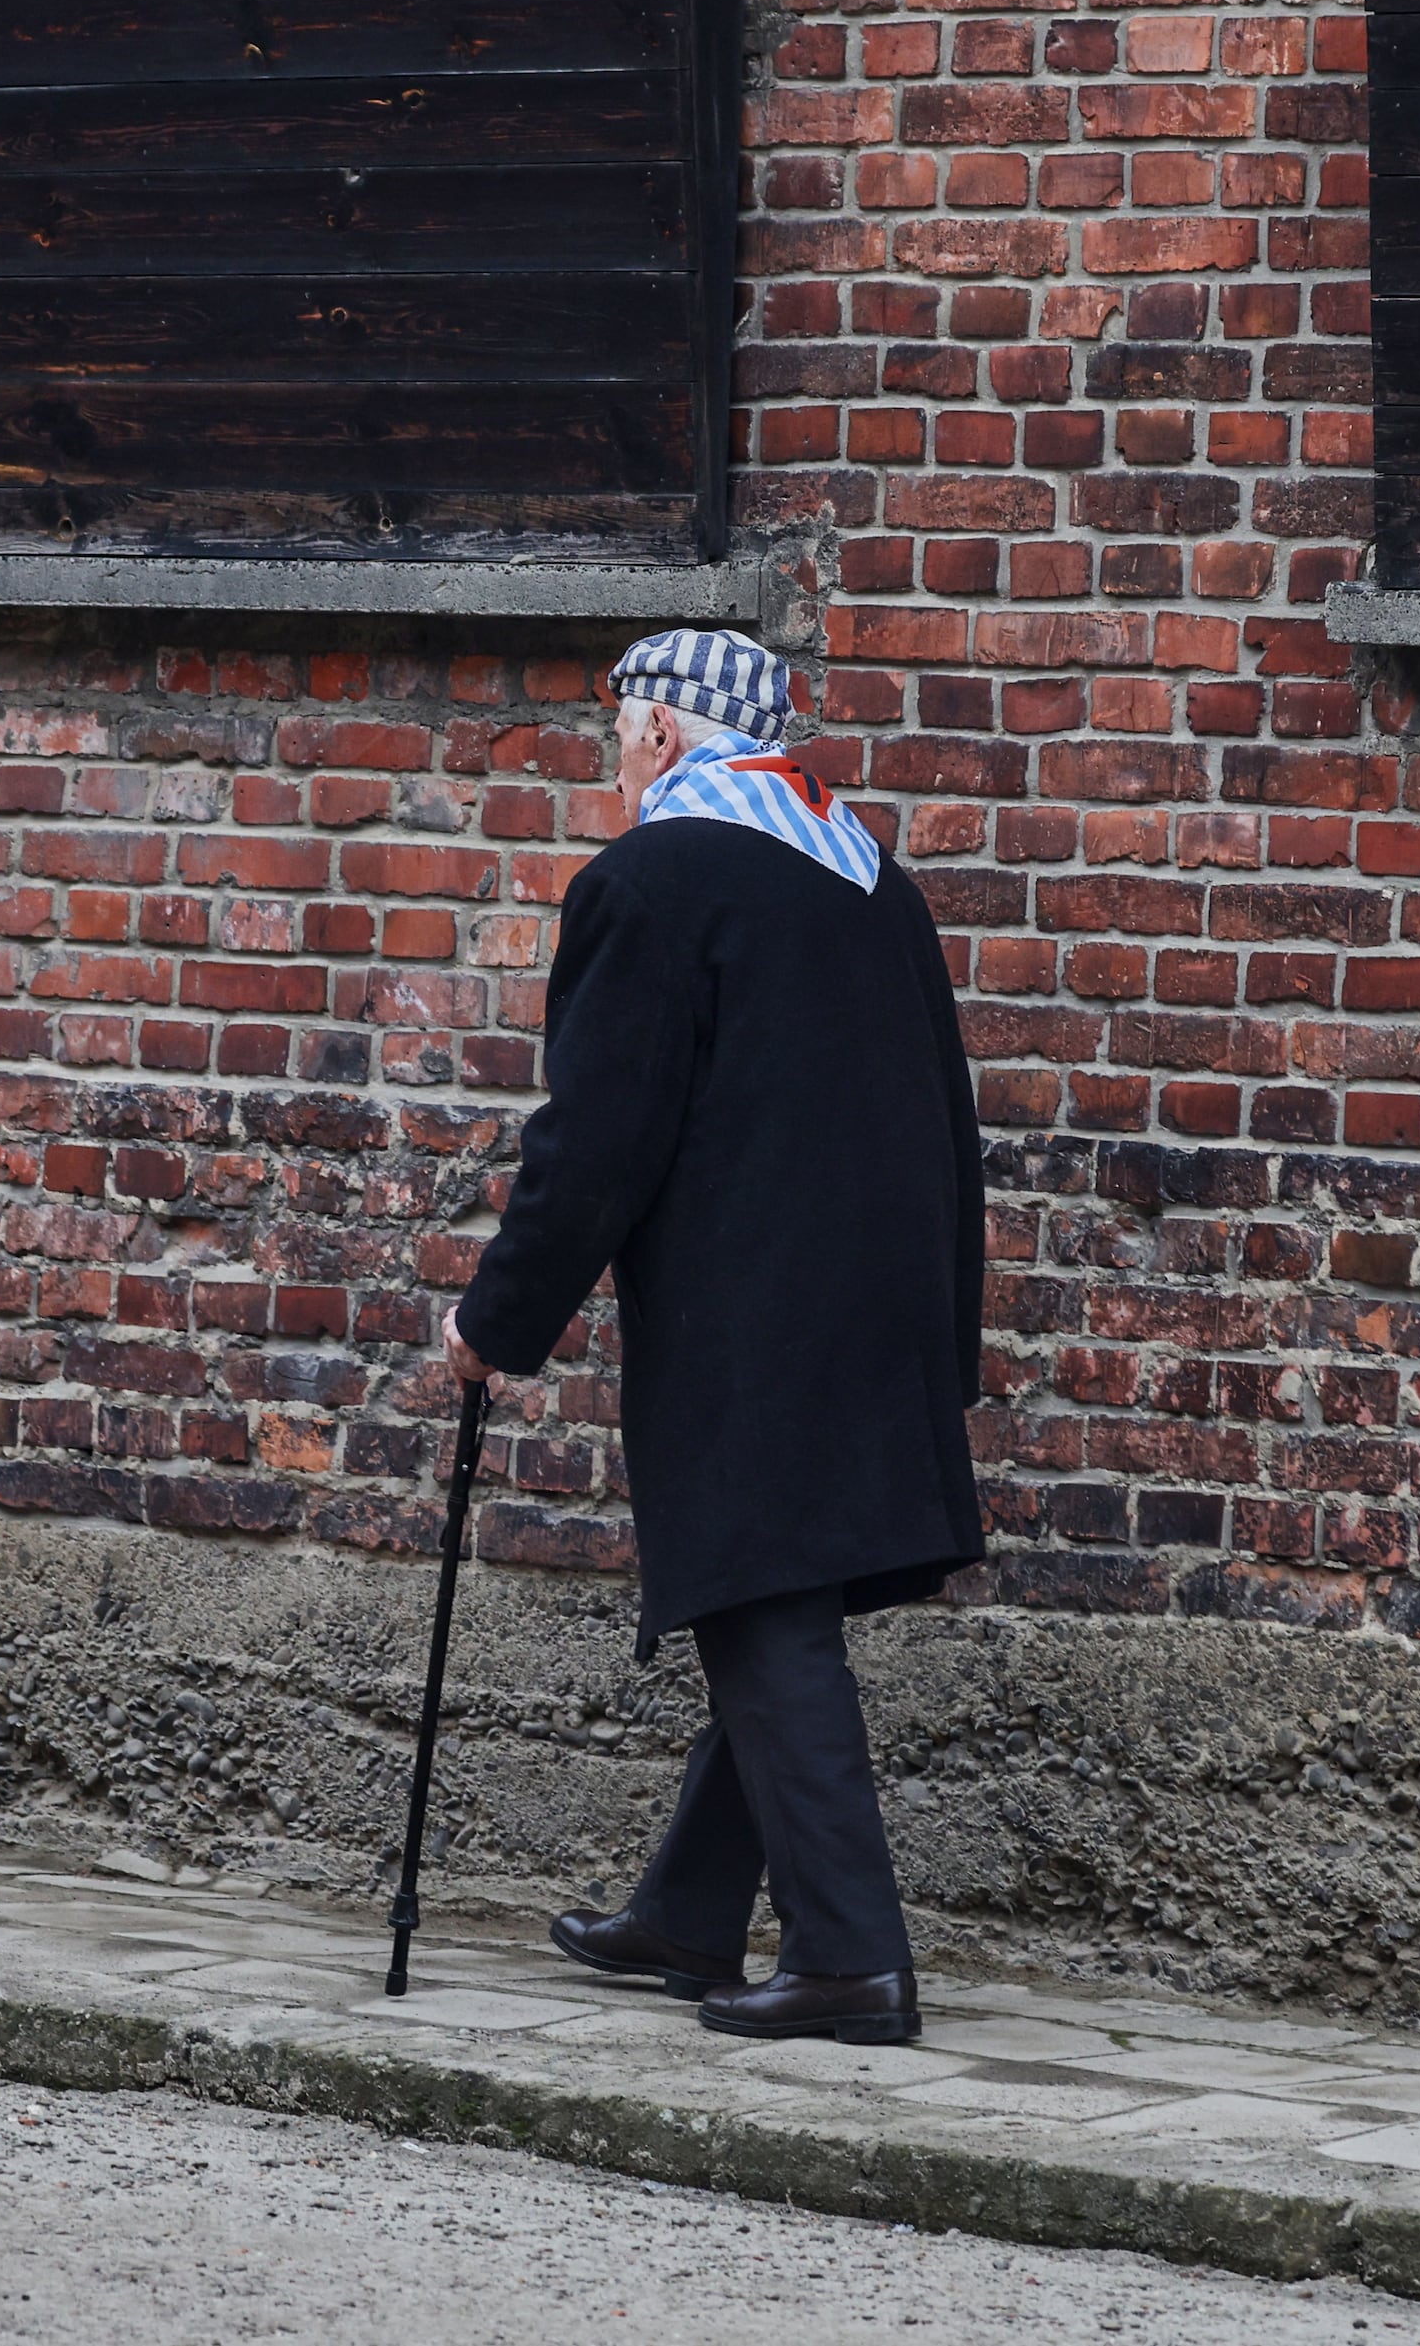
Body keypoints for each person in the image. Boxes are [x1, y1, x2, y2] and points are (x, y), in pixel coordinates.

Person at [437, 627, 985, 2046]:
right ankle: (689, 1905)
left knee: (758, 1595)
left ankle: (852, 1960)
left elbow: (599, 1138)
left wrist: (496, 1323)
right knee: (778, 1586)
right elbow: (949, 1119)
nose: (614, 761)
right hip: (884, 1299)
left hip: (755, 1311)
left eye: (620, 731)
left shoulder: (654, 881)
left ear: (666, 737)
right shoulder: (870, 878)